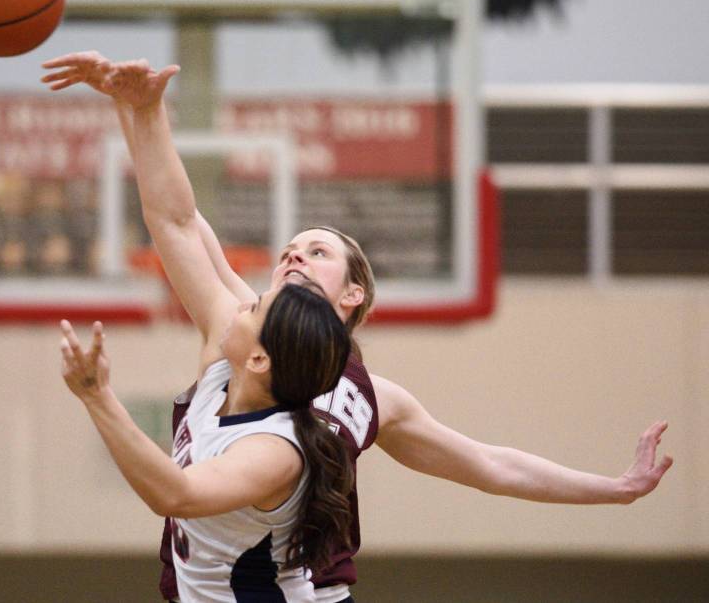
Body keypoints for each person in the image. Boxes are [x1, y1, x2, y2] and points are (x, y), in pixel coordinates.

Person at [42, 51, 675, 603]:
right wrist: (140, 110)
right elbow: (178, 221)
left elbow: (492, 465)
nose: (293, 256)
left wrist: (613, 490)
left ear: (354, 293)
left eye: (316, 252)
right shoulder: (238, 329)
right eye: (288, 250)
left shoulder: (340, 407)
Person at [61, 284, 355, 599]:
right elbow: (186, 243)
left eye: (254, 309)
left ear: (258, 359)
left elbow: (174, 495)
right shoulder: (220, 379)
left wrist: (98, 397)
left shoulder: (274, 449)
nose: (241, 307)